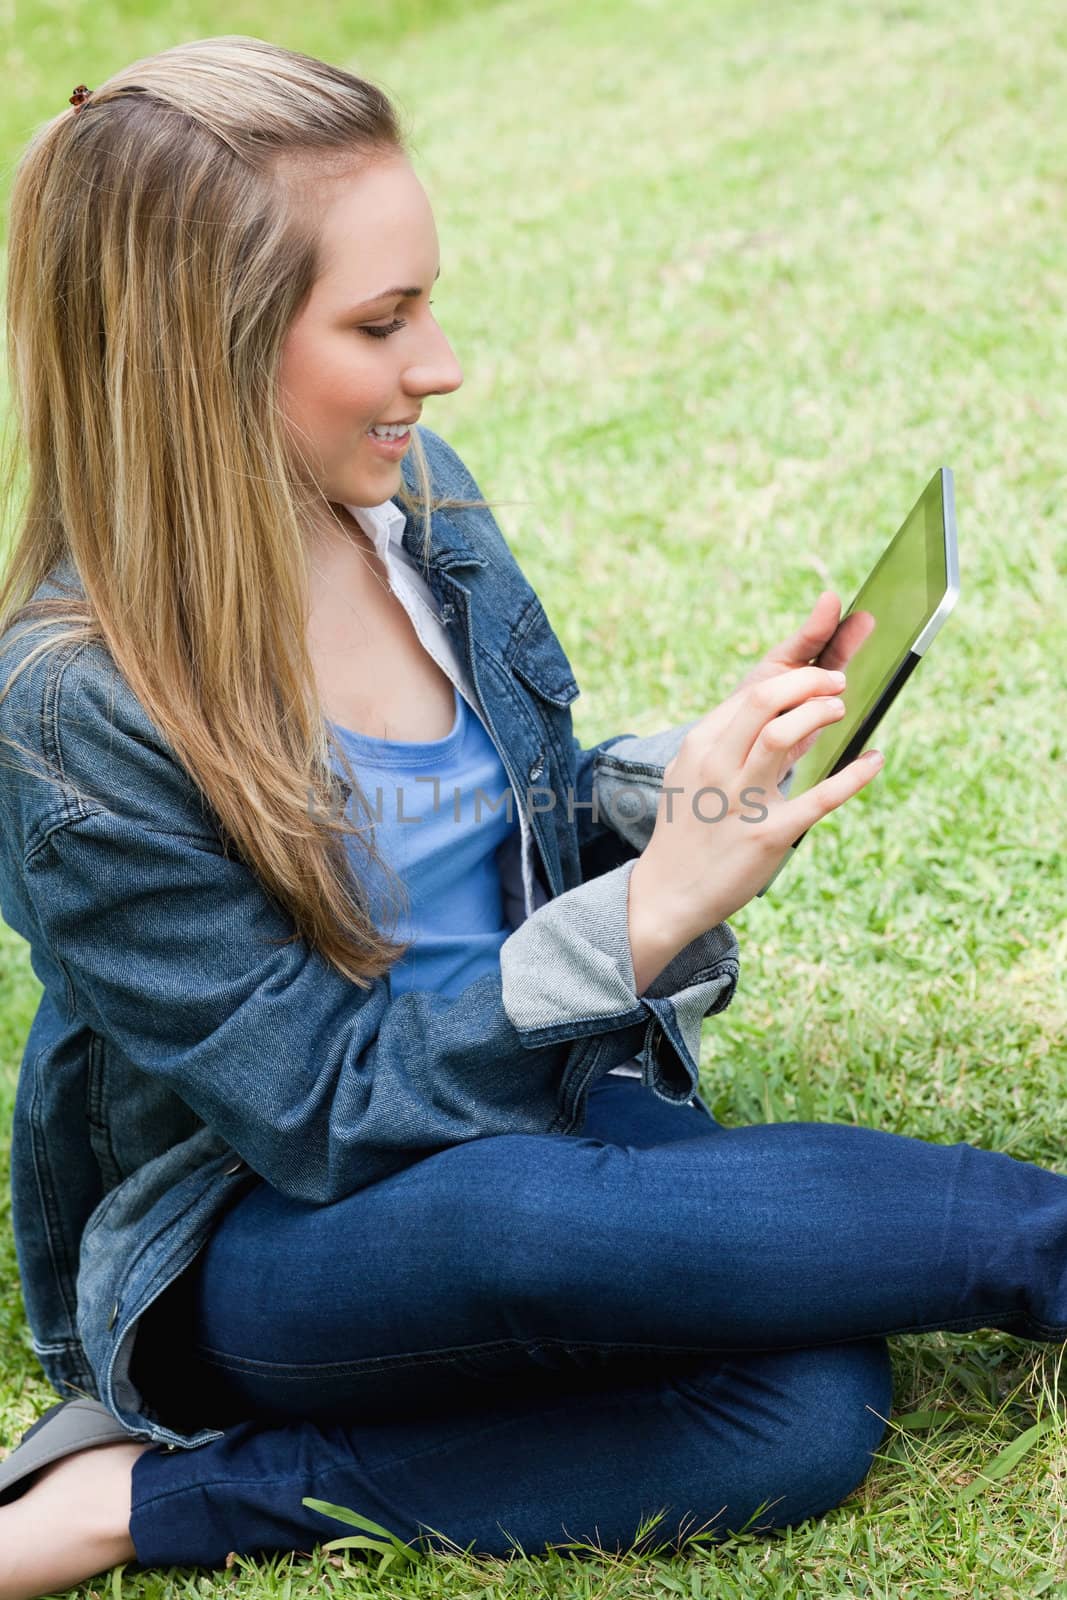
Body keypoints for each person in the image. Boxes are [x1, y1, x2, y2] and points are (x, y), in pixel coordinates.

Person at [0, 34, 1065, 1600]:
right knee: (528, 1223)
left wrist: (684, 787)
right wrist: (646, 915)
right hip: (269, 1224)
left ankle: (135, 1508)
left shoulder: (417, 499)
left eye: (426, 300)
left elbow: (501, 811)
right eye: (382, 321)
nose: (440, 366)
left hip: (535, 1100)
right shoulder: (68, 709)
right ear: (197, 355)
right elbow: (318, 1109)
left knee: (799, 1408)